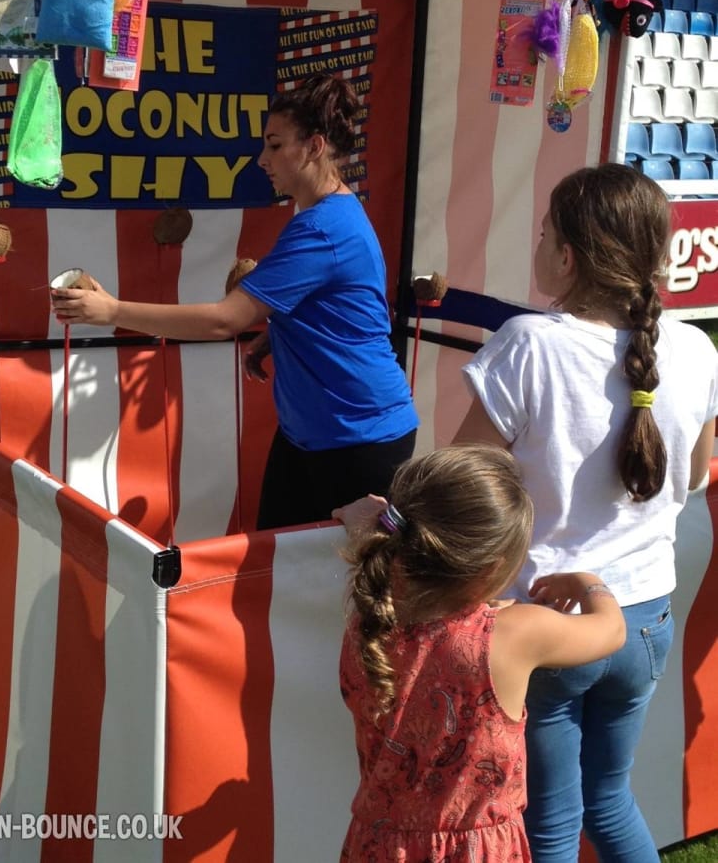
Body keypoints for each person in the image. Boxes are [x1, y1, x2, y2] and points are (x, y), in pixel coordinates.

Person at [453, 163, 718, 863]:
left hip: (547, 621)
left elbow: (459, 486)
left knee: (548, 822)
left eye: (544, 234)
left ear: (567, 256)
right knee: (608, 800)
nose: (538, 245)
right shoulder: (696, 348)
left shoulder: (529, 343)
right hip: (646, 618)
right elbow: (694, 477)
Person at [51, 71, 417, 529]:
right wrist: (280, 335)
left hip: (360, 438)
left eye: (275, 145)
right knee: (275, 561)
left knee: (340, 571)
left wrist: (113, 311)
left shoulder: (323, 227)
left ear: (315, 147)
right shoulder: (330, 212)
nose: (262, 159)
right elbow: (339, 309)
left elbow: (225, 320)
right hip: (312, 433)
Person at [332, 444, 626, 863]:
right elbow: (612, 630)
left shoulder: (370, 616)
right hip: (476, 852)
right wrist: (586, 582)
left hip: (378, 844)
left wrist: (367, 522)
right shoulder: (513, 633)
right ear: (492, 568)